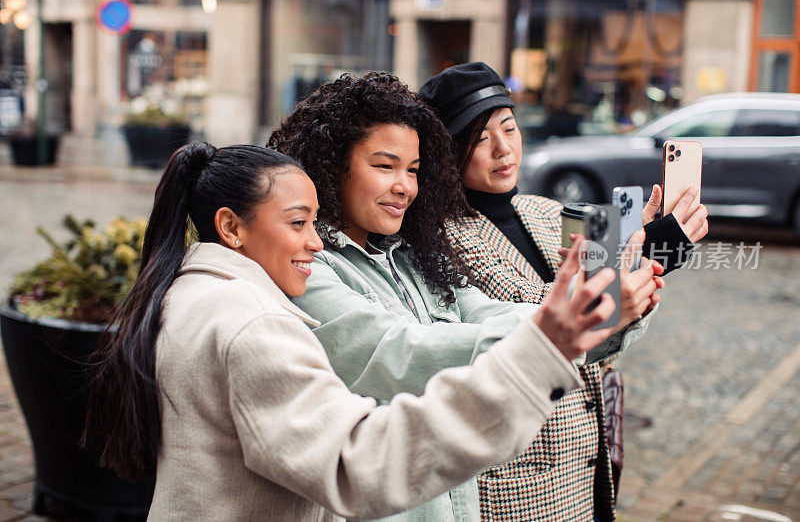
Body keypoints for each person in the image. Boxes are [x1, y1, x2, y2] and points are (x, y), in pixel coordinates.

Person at [83, 142, 623, 521]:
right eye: (296, 223)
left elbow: (480, 315)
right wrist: (537, 355)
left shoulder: (194, 290)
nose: (314, 242)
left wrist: (587, 319)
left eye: (414, 168)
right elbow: (359, 459)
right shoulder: (255, 322)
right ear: (231, 227)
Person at [269, 72, 656, 521]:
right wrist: (560, 327)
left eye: (413, 171)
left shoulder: (417, 256)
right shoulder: (307, 264)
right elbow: (396, 352)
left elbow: (493, 312)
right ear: (332, 164)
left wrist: (608, 303)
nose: (404, 186)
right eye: (384, 166)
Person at [418, 61, 709, 520]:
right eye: (478, 139)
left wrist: (653, 251)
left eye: (509, 128)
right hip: (521, 478)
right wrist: (648, 250)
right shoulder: (442, 237)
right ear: (446, 154)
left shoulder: (548, 210)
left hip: (588, 457)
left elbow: (615, 318)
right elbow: (538, 316)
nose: (502, 149)